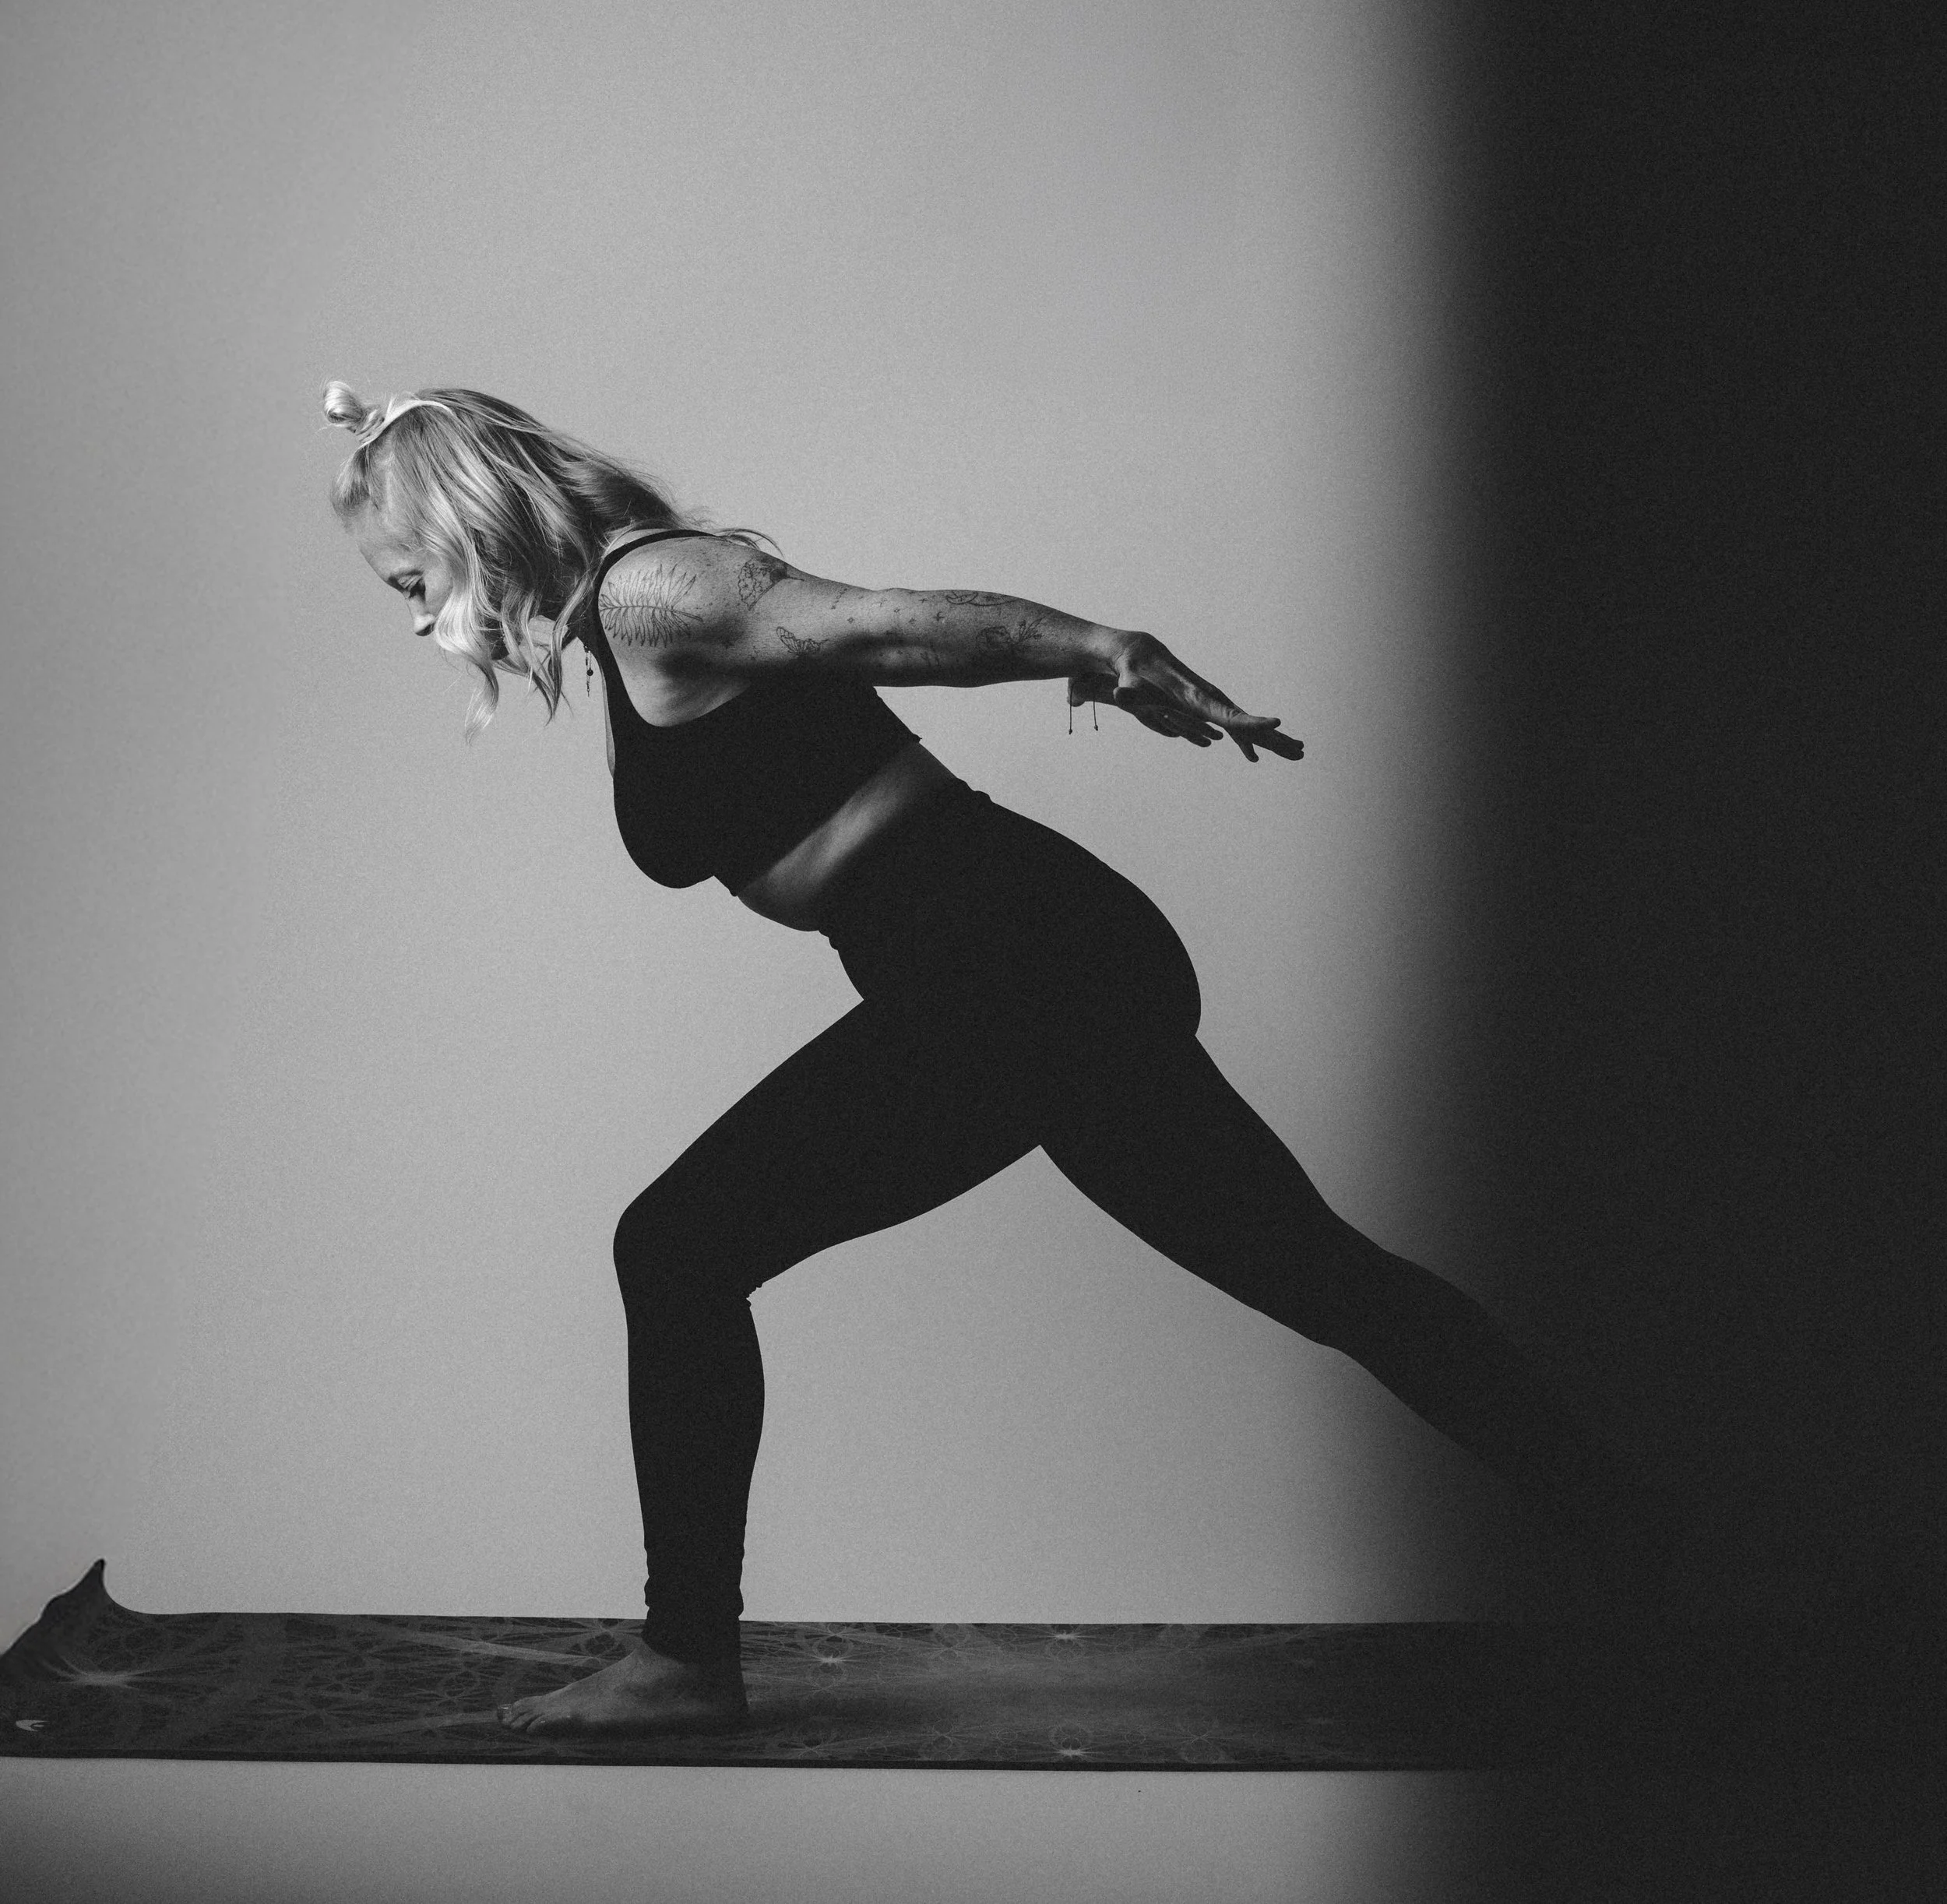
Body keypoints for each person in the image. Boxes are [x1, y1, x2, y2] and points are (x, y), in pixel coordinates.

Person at [326, 380, 1678, 1735]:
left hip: (1011, 960)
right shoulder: (628, 623)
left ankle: (685, 1662)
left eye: (410, 579)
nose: (419, 615)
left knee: (674, 1247)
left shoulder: (656, 594)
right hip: (1027, 962)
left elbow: (885, 626)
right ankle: (1664, 1561)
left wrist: (1100, 648)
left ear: (470, 525)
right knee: (1326, 1278)